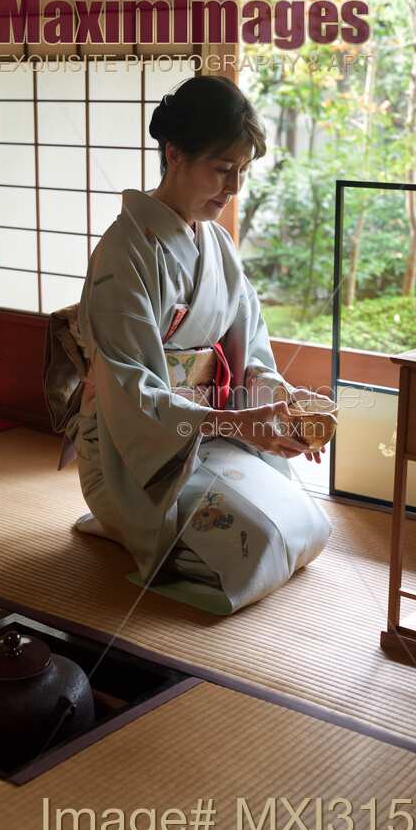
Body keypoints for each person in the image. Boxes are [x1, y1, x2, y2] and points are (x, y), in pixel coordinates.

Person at [70, 74, 332, 615]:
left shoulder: (217, 243)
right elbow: (130, 390)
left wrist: (280, 411)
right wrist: (240, 425)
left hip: (211, 431)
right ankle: (123, 520)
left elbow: (250, 349)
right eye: (222, 169)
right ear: (175, 154)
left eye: (242, 171)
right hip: (135, 449)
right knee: (257, 545)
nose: (233, 188)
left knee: (309, 526)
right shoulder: (125, 252)